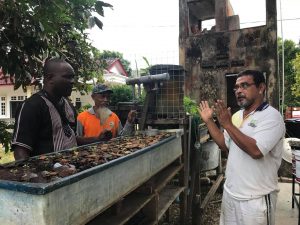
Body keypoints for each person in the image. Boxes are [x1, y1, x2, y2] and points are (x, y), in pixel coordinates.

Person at [198, 70, 285, 225]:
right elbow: (225, 145)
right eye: (236, 87)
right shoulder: (237, 116)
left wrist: (227, 124)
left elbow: (256, 151)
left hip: (256, 200)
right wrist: (209, 121)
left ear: (261, 88)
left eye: (244, 85)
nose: (238, 91)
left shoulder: (272, 117)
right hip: (230, 195)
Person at [12, 58, 78, 160]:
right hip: (47, 174)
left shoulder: (69, 106)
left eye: (73, 77)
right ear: (49, 78)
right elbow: (20, 152)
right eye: (67, 77)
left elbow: (71, 137)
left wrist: (97, 138)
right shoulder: (32, 106)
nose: (72, 82)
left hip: (74, 170)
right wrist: (40, 174)